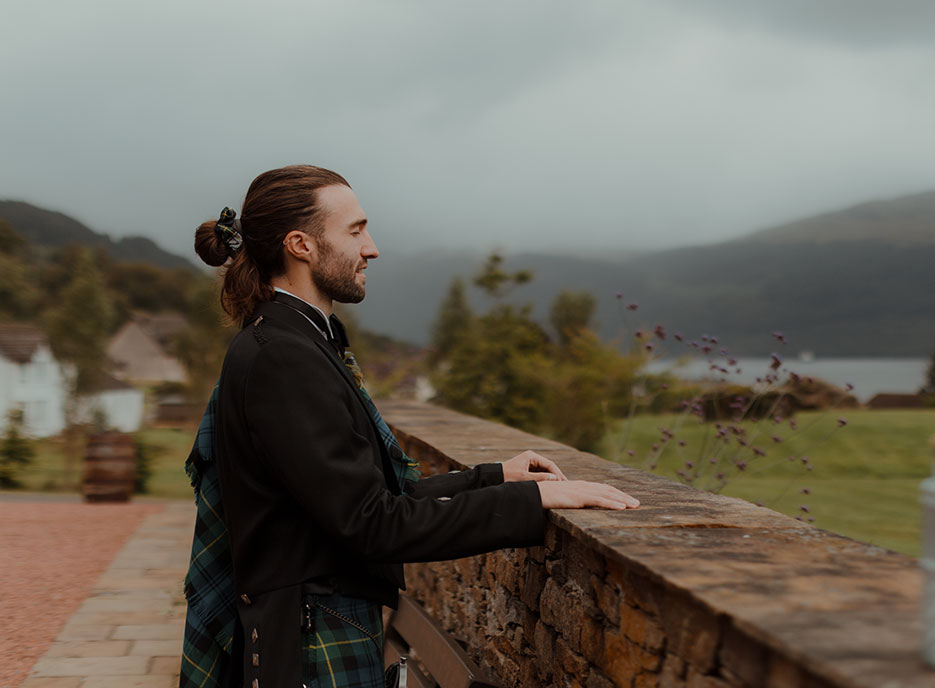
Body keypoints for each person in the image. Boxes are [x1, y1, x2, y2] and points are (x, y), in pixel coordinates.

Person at [181, 165, 638, 688]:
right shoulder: (284, 359)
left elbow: (362, 494)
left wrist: (494, 478)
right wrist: (531, 504)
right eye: (355, 230)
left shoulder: (293, 341)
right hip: (311, 644)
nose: (371, 248)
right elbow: (374, 523)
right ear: (300, 244)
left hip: (316, 628)